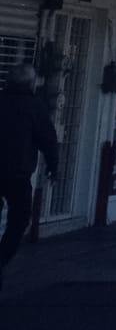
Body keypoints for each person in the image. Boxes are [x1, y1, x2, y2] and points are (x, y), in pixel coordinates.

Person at [0, 64, 58, 289]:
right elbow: (48, 139)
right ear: (31, 84)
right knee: (20, 218)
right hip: (17, 173)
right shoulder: (35, 107)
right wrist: (53, 167)